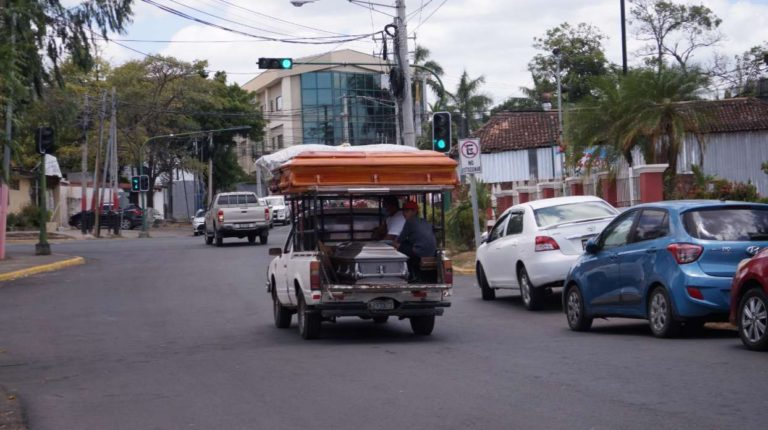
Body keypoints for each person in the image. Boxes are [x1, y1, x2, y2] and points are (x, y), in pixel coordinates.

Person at [394, 201, 437, 280]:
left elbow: (400, 239)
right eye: (403, 211)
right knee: (405, 246)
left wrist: (395, 242)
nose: (404, 213)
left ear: (414, 211)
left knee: (398, 246)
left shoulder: (410, 221)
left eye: (407, 211)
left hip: (420, 252)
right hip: (431, 252)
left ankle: (410, 273)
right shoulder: (423, 221)